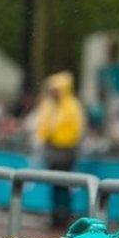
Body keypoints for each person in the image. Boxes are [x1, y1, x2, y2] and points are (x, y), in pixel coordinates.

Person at [34, 71, 86, 228]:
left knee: (64, 186)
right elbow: (43, 126)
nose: (53, 92)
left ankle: (64, 216)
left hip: (66, 150)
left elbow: (76, 130)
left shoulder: (72, 106)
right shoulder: (49, 105)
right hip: (51, 149)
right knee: (54, 185)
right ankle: (56, 216)